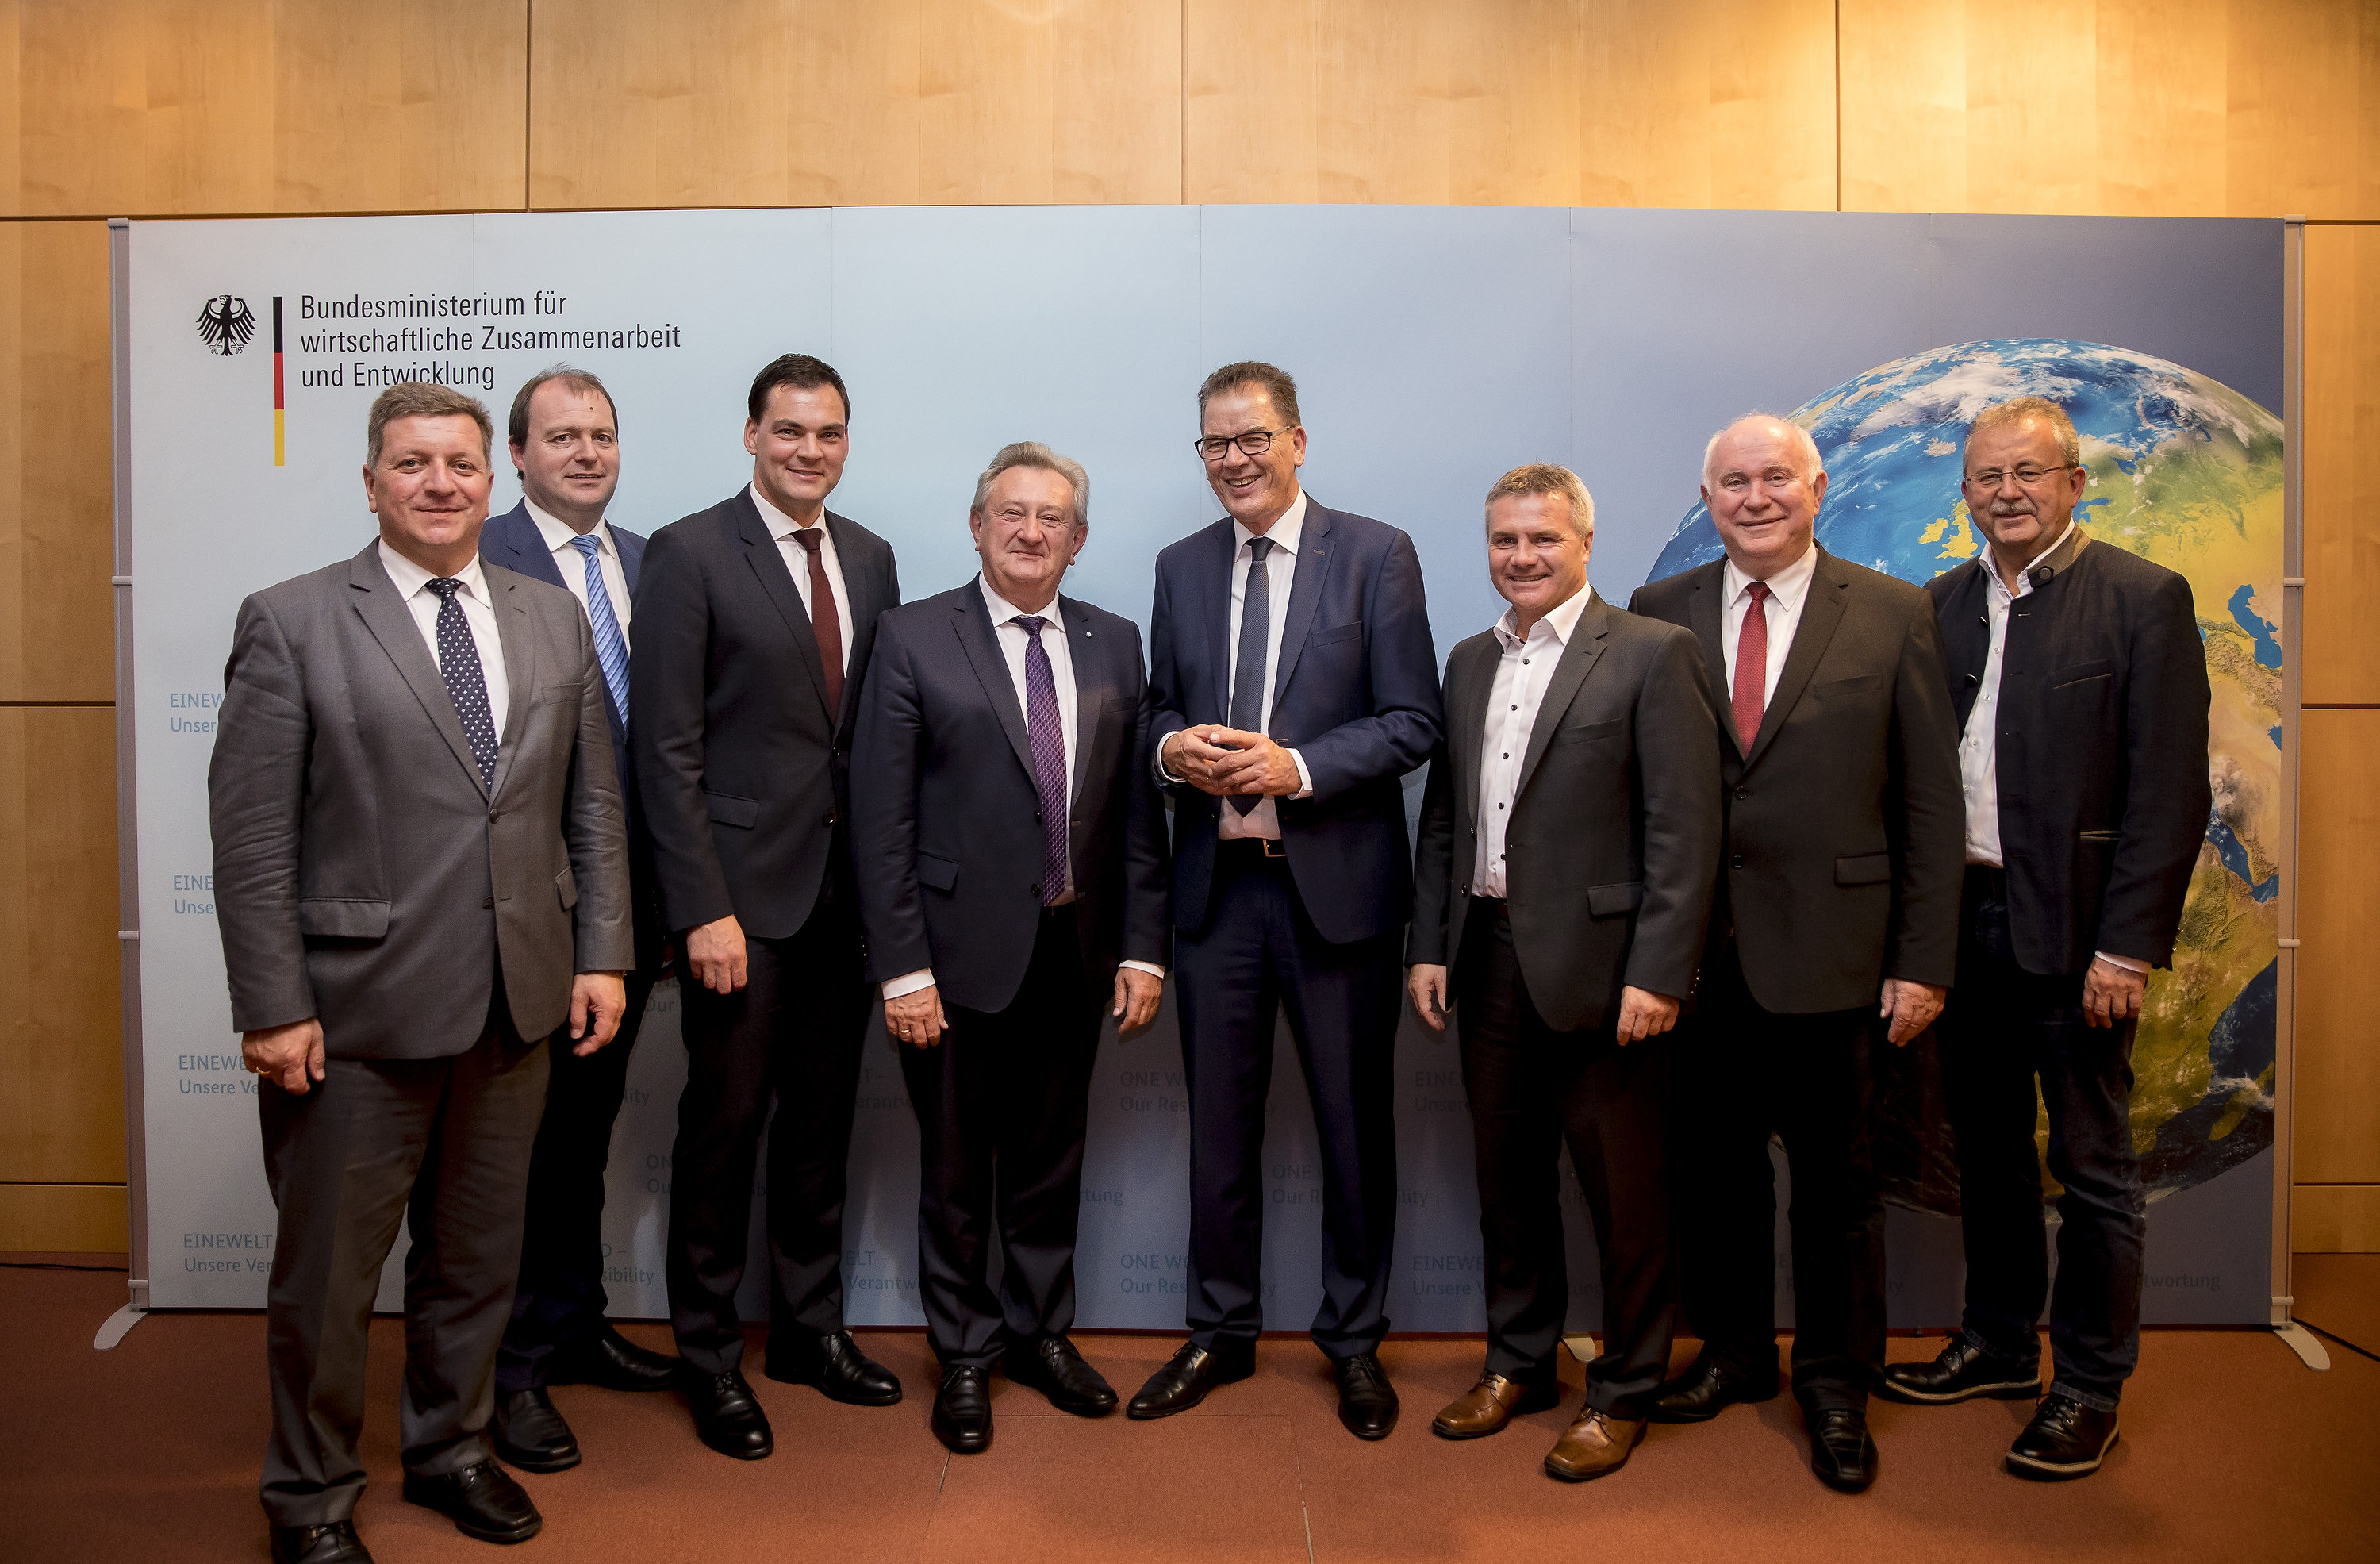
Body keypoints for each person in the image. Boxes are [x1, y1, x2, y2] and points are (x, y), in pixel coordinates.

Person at [211, 382, 631, 1564]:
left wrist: (600, 950)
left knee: (478, 1257)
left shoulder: (550, 617)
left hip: (518, 999)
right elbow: (249, 838)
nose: (439, 483)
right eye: (412, 463)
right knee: (328, 1279)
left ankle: (450, 1447)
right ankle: (309, 1494)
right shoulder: (291, 620)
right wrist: (274, 1002)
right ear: (371, 482)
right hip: (354, 1016)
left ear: (491, 478)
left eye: (458, 462)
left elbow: (591, 808)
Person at [1630, 413, 1964, 1493]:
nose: (1756, 496)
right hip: (1701, 959)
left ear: (1817, 486)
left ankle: (1833, 1378)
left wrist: (1923, 958)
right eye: (1734, 480)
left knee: (1837, 1185)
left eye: (1776, 476)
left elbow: (1928, 801)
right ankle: (1733, 1351)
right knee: (1714, 1174)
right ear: (1708, 495)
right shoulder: (1661, 613)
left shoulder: (1894, 611)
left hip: (1839, 957)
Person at [1883, 396, 2211, 1480]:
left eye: (2029, 472)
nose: (2007, 492)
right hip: (1965, 927)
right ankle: (1994, 1341)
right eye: (1987, 477)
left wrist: (2128, 945)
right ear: (1966, 493)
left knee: (2092, 1166)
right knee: (1985, 1153)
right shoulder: (1942, 605)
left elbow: (2169, 791)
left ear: (2074, 481)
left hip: (2079, 940)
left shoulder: (2141, 599)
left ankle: (2088, 1384)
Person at [1127, 361, 1443, 1440]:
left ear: (1298, 440)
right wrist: (1174, 747)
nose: (1234, 460)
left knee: (1356, 1132)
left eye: (1252, 438)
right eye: (1214, 443)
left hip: (1338, 899)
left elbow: (1413, 720)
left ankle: (1354, 1340)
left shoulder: (1377, 553)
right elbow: (1158, 705)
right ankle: (1219, 1328)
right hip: (1216, 898)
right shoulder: (1178, 565)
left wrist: (1294, 765)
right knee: (1220, 1133)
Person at [851, 442, 1172, 1454]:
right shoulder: (909, 637)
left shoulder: (1116, 641)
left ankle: (1041, 1336)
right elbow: (881, 818)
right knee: (953, 1172)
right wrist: (902, 968)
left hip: (1075, 953)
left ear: (1079, 540)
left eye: (1052, 519)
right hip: (949, 964)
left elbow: (1131, 818)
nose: (1031, 532)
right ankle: (965, 1354)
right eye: (1011, 514)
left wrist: (1143, 949)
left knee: (1049, 1161)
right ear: (978, 524)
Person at [1407, 464, 1720, 1481]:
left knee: (1625, 1194)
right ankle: (1519, 1364)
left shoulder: (1650, 653)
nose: (1522, 558)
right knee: (1509, 1182)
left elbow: (1684, 829)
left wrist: (1660, 971)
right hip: (1486, 957)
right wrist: (1427, 943)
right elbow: (1446, 821)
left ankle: (1625, 1388)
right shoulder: (1466, 661)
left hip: (1609, 971)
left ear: (1585, 542)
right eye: (1505, 541)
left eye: (1543, 540)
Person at [631, 353, 902, 1460]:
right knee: (724, 1126)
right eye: (789, 431)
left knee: (820, 1129)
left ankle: (807, 1330)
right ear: (751, 434)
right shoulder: (690, 550)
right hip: (738, 908)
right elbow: (666, 745)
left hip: (844, 908)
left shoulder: (874, 556)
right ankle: (707, 1354)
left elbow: (873, 733)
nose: (810, 450)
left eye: (830, 432)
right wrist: (701, 905)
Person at [476, 366, 679, 1472]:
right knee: (515, 1151)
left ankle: (574, 1322)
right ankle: (510, 1370)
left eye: (603, 434)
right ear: (519, 454)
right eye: (562, 437)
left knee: (585, 1137)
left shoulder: (653, 562)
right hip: (526, 914)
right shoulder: (481, 559)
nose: (587, 453)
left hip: (632, 913)